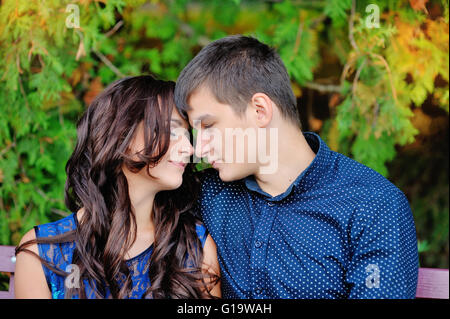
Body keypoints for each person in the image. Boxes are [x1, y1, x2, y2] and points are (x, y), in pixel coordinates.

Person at [174, 35, 419, 299]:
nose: (199, 149)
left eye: (208, 126)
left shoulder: (373, 206)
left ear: (259, 110)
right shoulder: (209, 193)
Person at [14, 75, 221, 299]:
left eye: (186, 135)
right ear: (123, 135)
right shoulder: (42, 256)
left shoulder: (194, 246)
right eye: (172, 132)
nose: (189, 149)